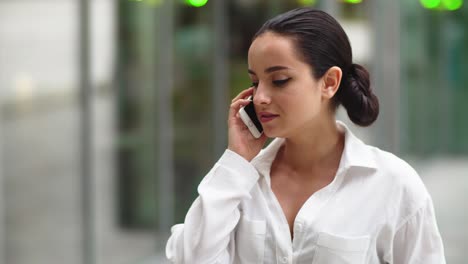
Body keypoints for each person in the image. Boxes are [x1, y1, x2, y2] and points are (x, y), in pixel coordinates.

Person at [165, 7, 445, 264]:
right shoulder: (240, 182)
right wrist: (236, 160)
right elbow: (190, 258)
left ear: (329, 82)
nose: (260, 97)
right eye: (255, 82)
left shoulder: (392, 184)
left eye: (279, 80)